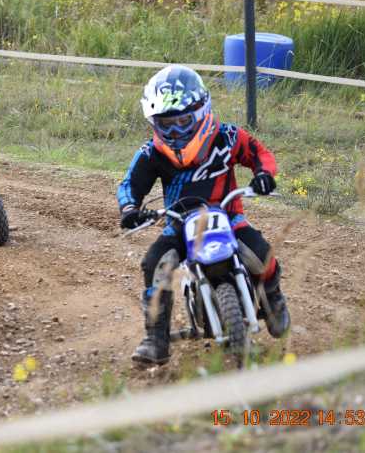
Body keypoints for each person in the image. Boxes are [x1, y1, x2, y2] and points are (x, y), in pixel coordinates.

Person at [117, 65, 291, 365]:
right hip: (179, 224)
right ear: (154, 124)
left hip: (229, 215)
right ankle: (156, 337)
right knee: (153, 264)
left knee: (262, 253)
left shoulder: (227, 137)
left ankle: (273, 298)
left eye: (183, 121)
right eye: (166, 124)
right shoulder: (151, 154)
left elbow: (259, 153)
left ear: (201, 112)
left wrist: (265, 175)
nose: (175, 131)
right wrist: (130, 209)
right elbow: (130, 185)